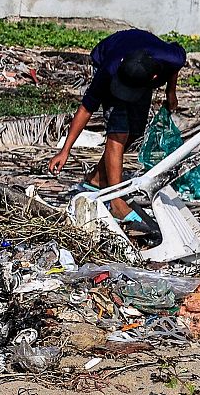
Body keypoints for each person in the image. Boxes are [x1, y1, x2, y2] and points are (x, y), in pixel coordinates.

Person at [48, 28, 186, 240]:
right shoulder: (110, 69)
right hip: (113, 58)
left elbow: (177, 63)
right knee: (118, 134)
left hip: (141, 71)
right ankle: (116, 202)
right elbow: (86, 109)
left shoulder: (171, 58)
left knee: (134, 131)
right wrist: (65, 150)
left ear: (154, 76)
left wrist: (171, 91)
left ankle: (96, 179)